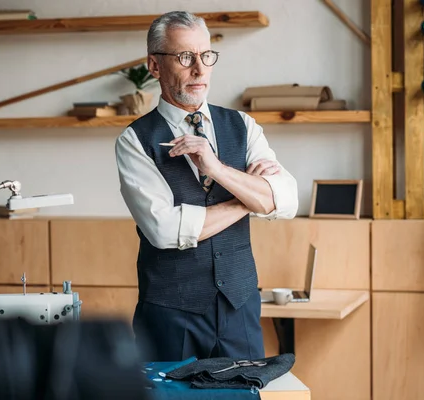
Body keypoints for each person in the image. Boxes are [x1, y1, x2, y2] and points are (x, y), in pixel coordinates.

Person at [115, 11, 299, 362]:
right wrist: (248, 200)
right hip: (170, 317)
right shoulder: (134, 141)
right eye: (185, 57)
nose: (199, 69)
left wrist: (217, 169)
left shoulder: (243, 125)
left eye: (206, 55)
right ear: (154, 66)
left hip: (239, 312)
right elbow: (166, 230)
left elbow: (286, 201)